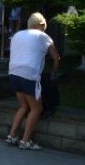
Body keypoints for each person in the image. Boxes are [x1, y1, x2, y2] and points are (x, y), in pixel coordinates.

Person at [6, 13, 61, 151]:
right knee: (36, 108)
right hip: (29, 74)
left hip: (13, 72)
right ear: (41, 25)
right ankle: (25, 141)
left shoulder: (18, 34)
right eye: (44, 26)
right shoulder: (43, 36)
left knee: (23, 106)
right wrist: (54, 72)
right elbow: (56, 57)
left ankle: (11, 135)